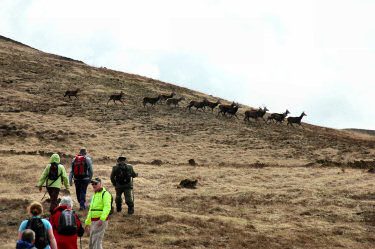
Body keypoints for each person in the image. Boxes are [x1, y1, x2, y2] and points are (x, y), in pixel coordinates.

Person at [85, 177, 111, 249]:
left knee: (96, 242)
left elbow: (107, 207)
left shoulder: (105, 194)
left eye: (95, 183)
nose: (93, 185)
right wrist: (87, 223)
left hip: (100, 221)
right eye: (92, 183)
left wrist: (102, 219)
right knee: (92, 241)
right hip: (93, 221)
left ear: (100, 184)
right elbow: (91, 210)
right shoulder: (94, 195)